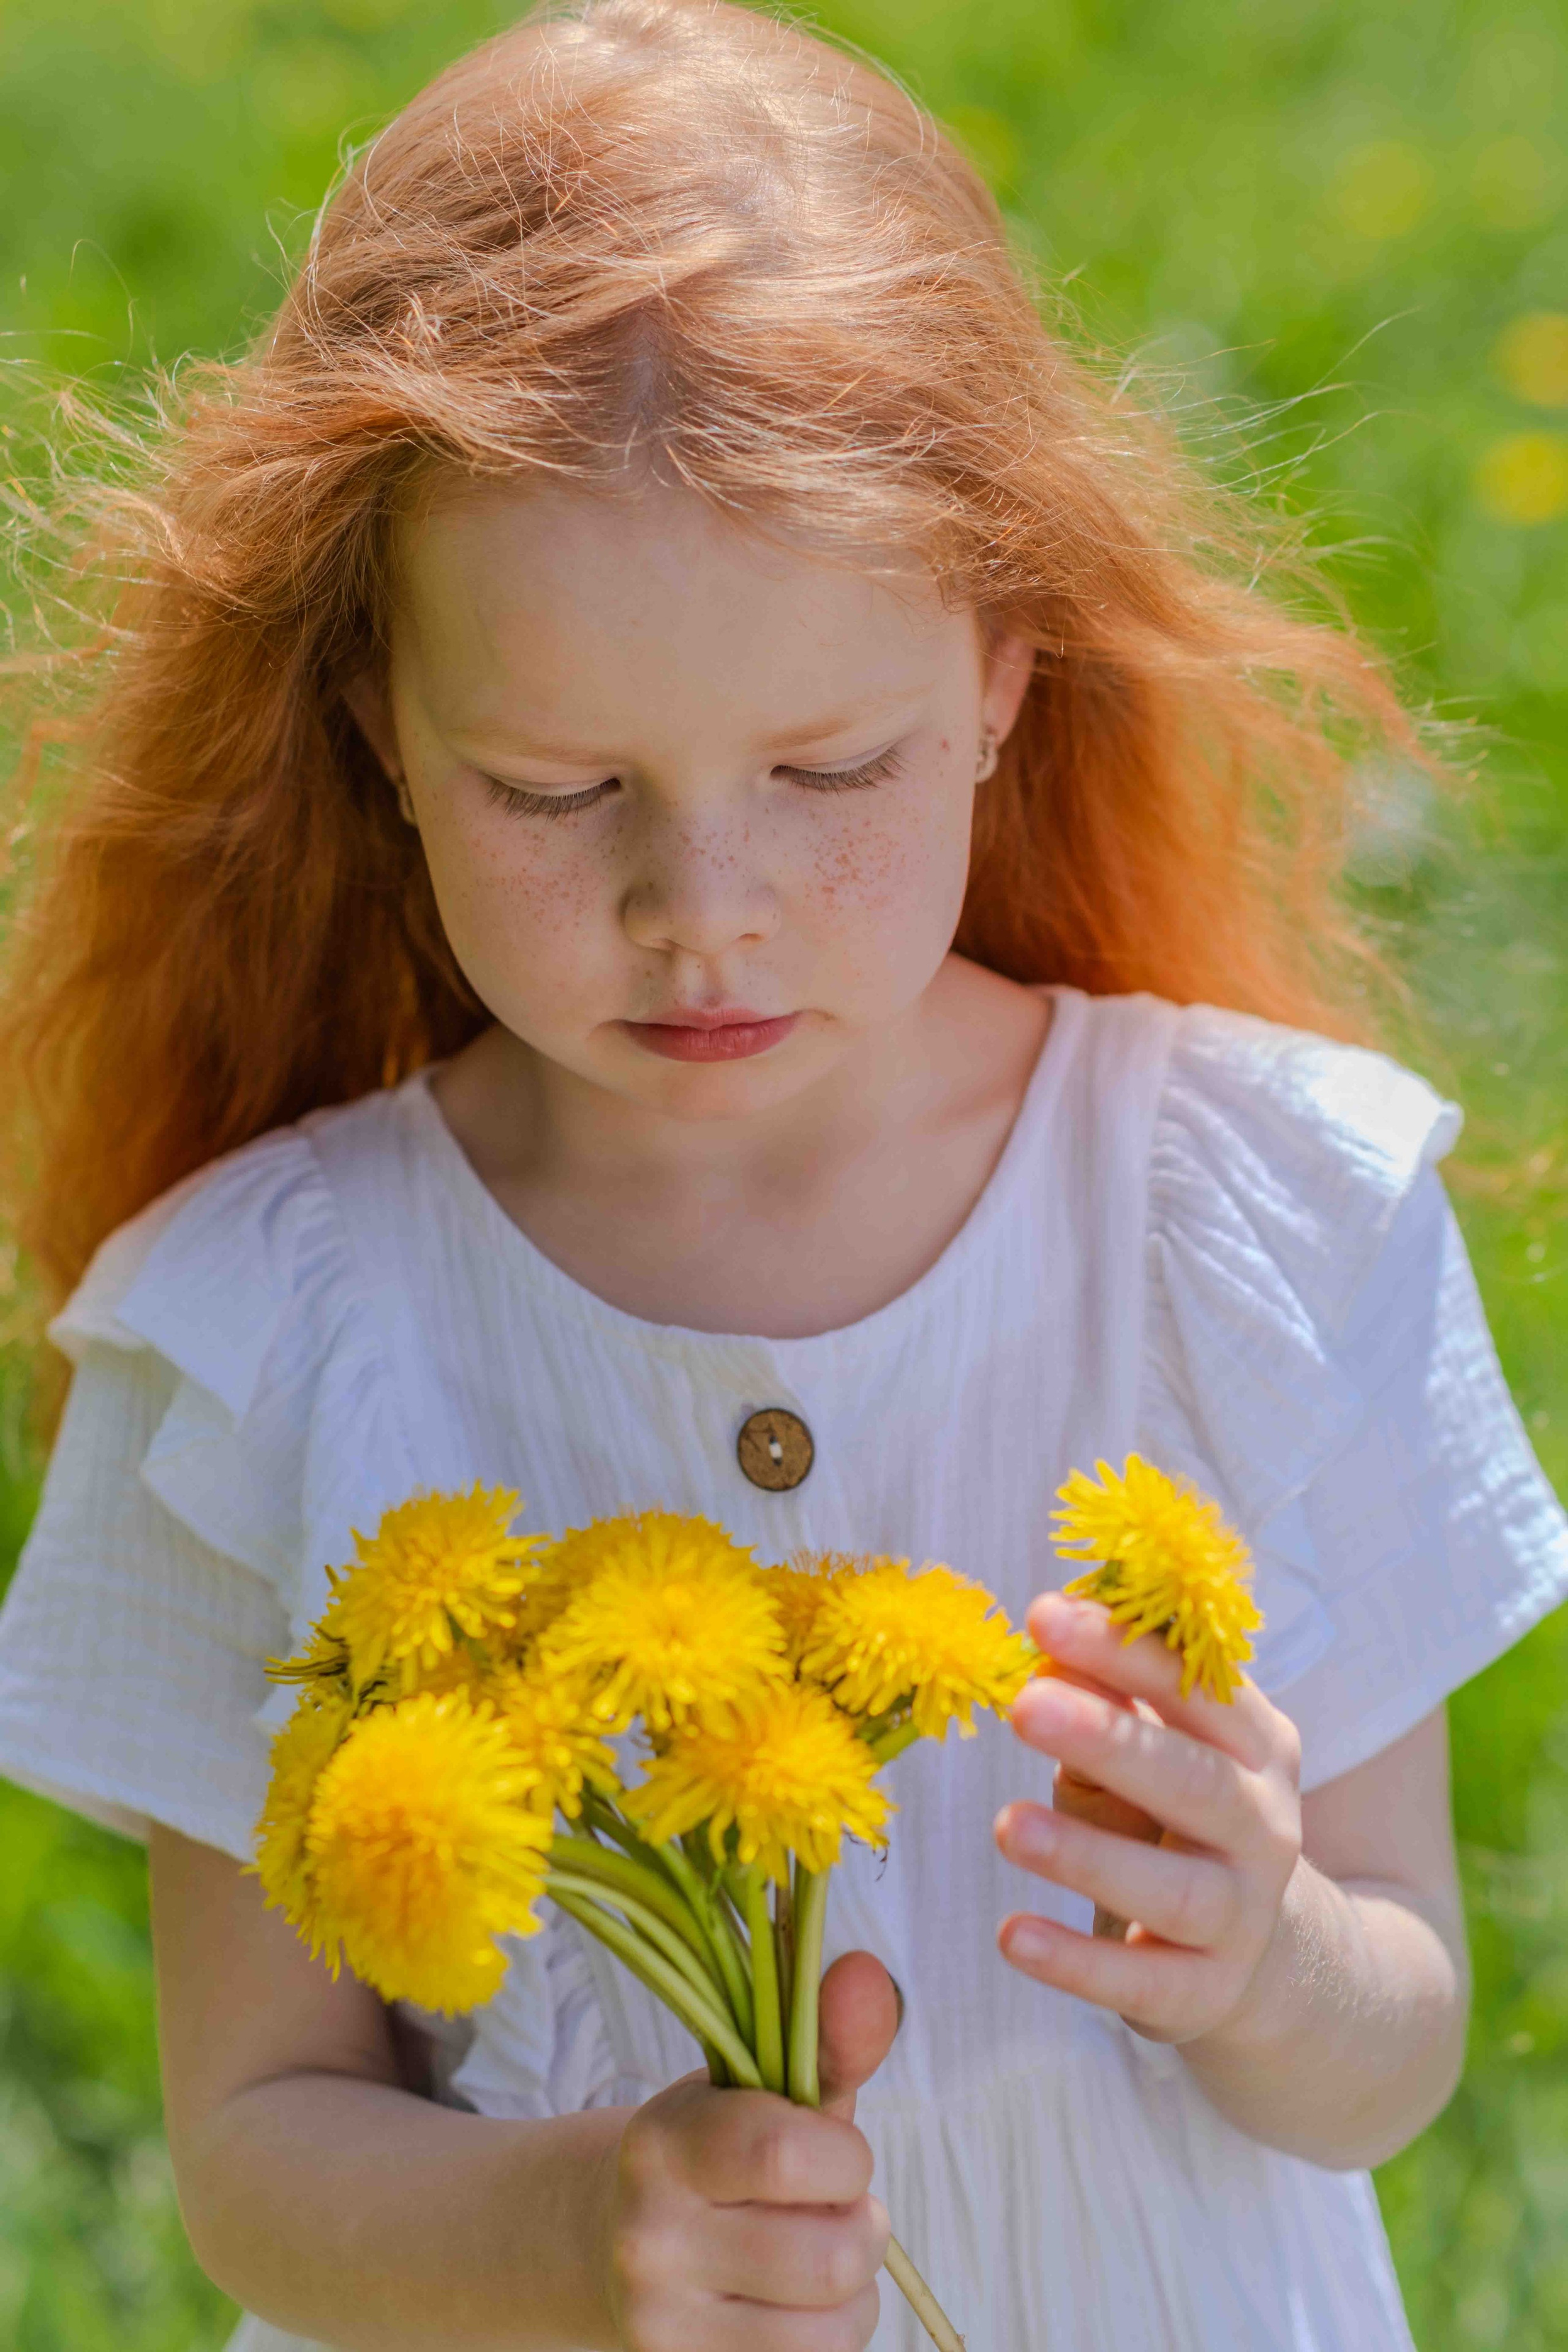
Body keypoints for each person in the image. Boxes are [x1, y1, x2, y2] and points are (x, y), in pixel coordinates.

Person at [0, 3, 1562, 2346]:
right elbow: (252, 2148)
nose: (699, 910)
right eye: (556, 791)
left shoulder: (1246, 1217)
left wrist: (1272, 1956)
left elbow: (1397, 2041)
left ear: (1005, 671)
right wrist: (577, 2231)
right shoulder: (270, 1330)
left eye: (828, 771)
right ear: (381, 730)